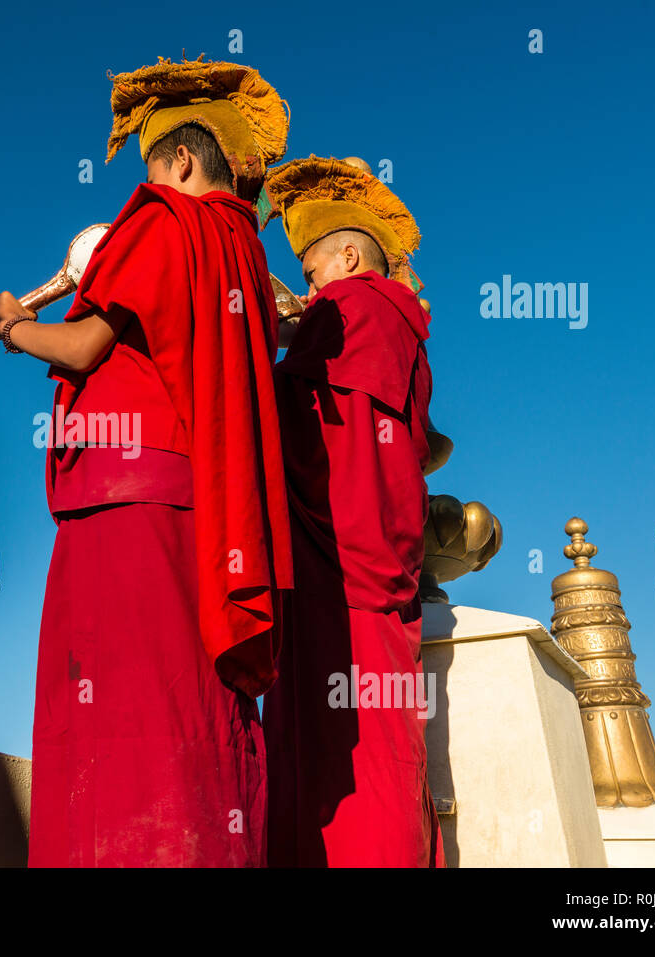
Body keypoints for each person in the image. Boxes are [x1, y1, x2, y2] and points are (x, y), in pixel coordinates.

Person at [0, 56, 293, 866]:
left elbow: (81, 347)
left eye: (152, 164)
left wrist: (9, 325)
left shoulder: (161, 219)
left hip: (126, 503)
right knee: (193, 709)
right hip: (205, 510)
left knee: (121, 716)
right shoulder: (245, 251)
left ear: (179, 161)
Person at [259, 155, 444, 867]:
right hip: (389, 576)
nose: (309, 294)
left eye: (309, 274)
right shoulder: (407, 328)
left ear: (345, 254)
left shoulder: (349, 307)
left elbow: (302, 428)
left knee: (329, 767)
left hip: (334, 571)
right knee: (387, 759)